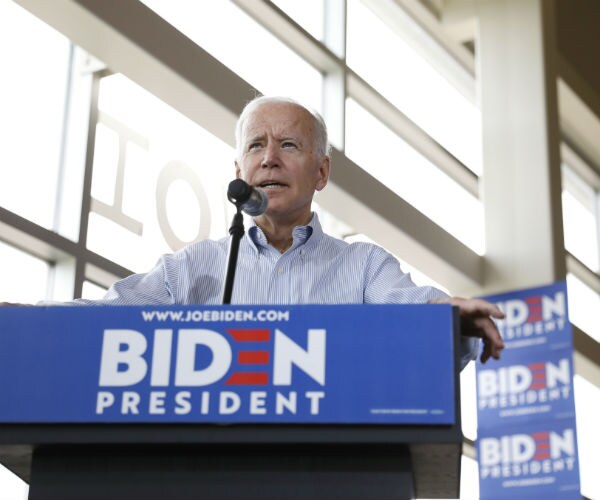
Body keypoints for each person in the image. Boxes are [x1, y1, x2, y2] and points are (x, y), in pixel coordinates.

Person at [2, 96, 504, 367]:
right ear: (239, 169)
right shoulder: (193, 270)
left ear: (322, 173)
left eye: (289, 144)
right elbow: (109, 316)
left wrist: (449, 313)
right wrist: (23, 319)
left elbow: (408, 305)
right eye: (256, 146)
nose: (269, 158)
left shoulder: (364, 266)